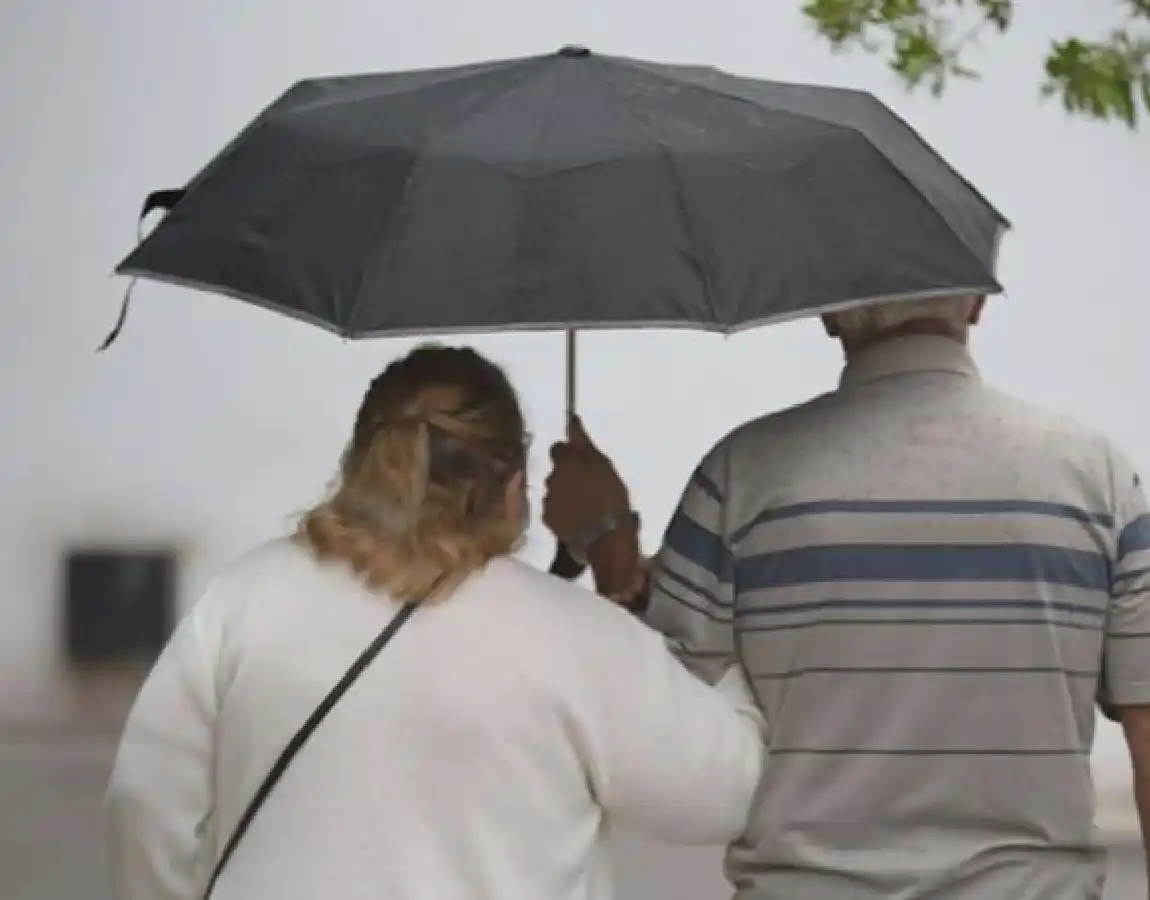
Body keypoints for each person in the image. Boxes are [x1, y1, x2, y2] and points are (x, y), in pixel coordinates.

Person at [542, 295, 1150, 900]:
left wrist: (608, 541)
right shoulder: (1095, 475)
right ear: (975, 302)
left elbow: (659, 712)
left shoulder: (742, 474)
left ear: (828, 314)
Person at [105, 344, 766, 900]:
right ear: (514, 481)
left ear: (362, 460)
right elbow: (723, 790)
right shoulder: (574, 636)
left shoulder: (244, 596)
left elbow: (144, 797)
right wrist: (616, 545)